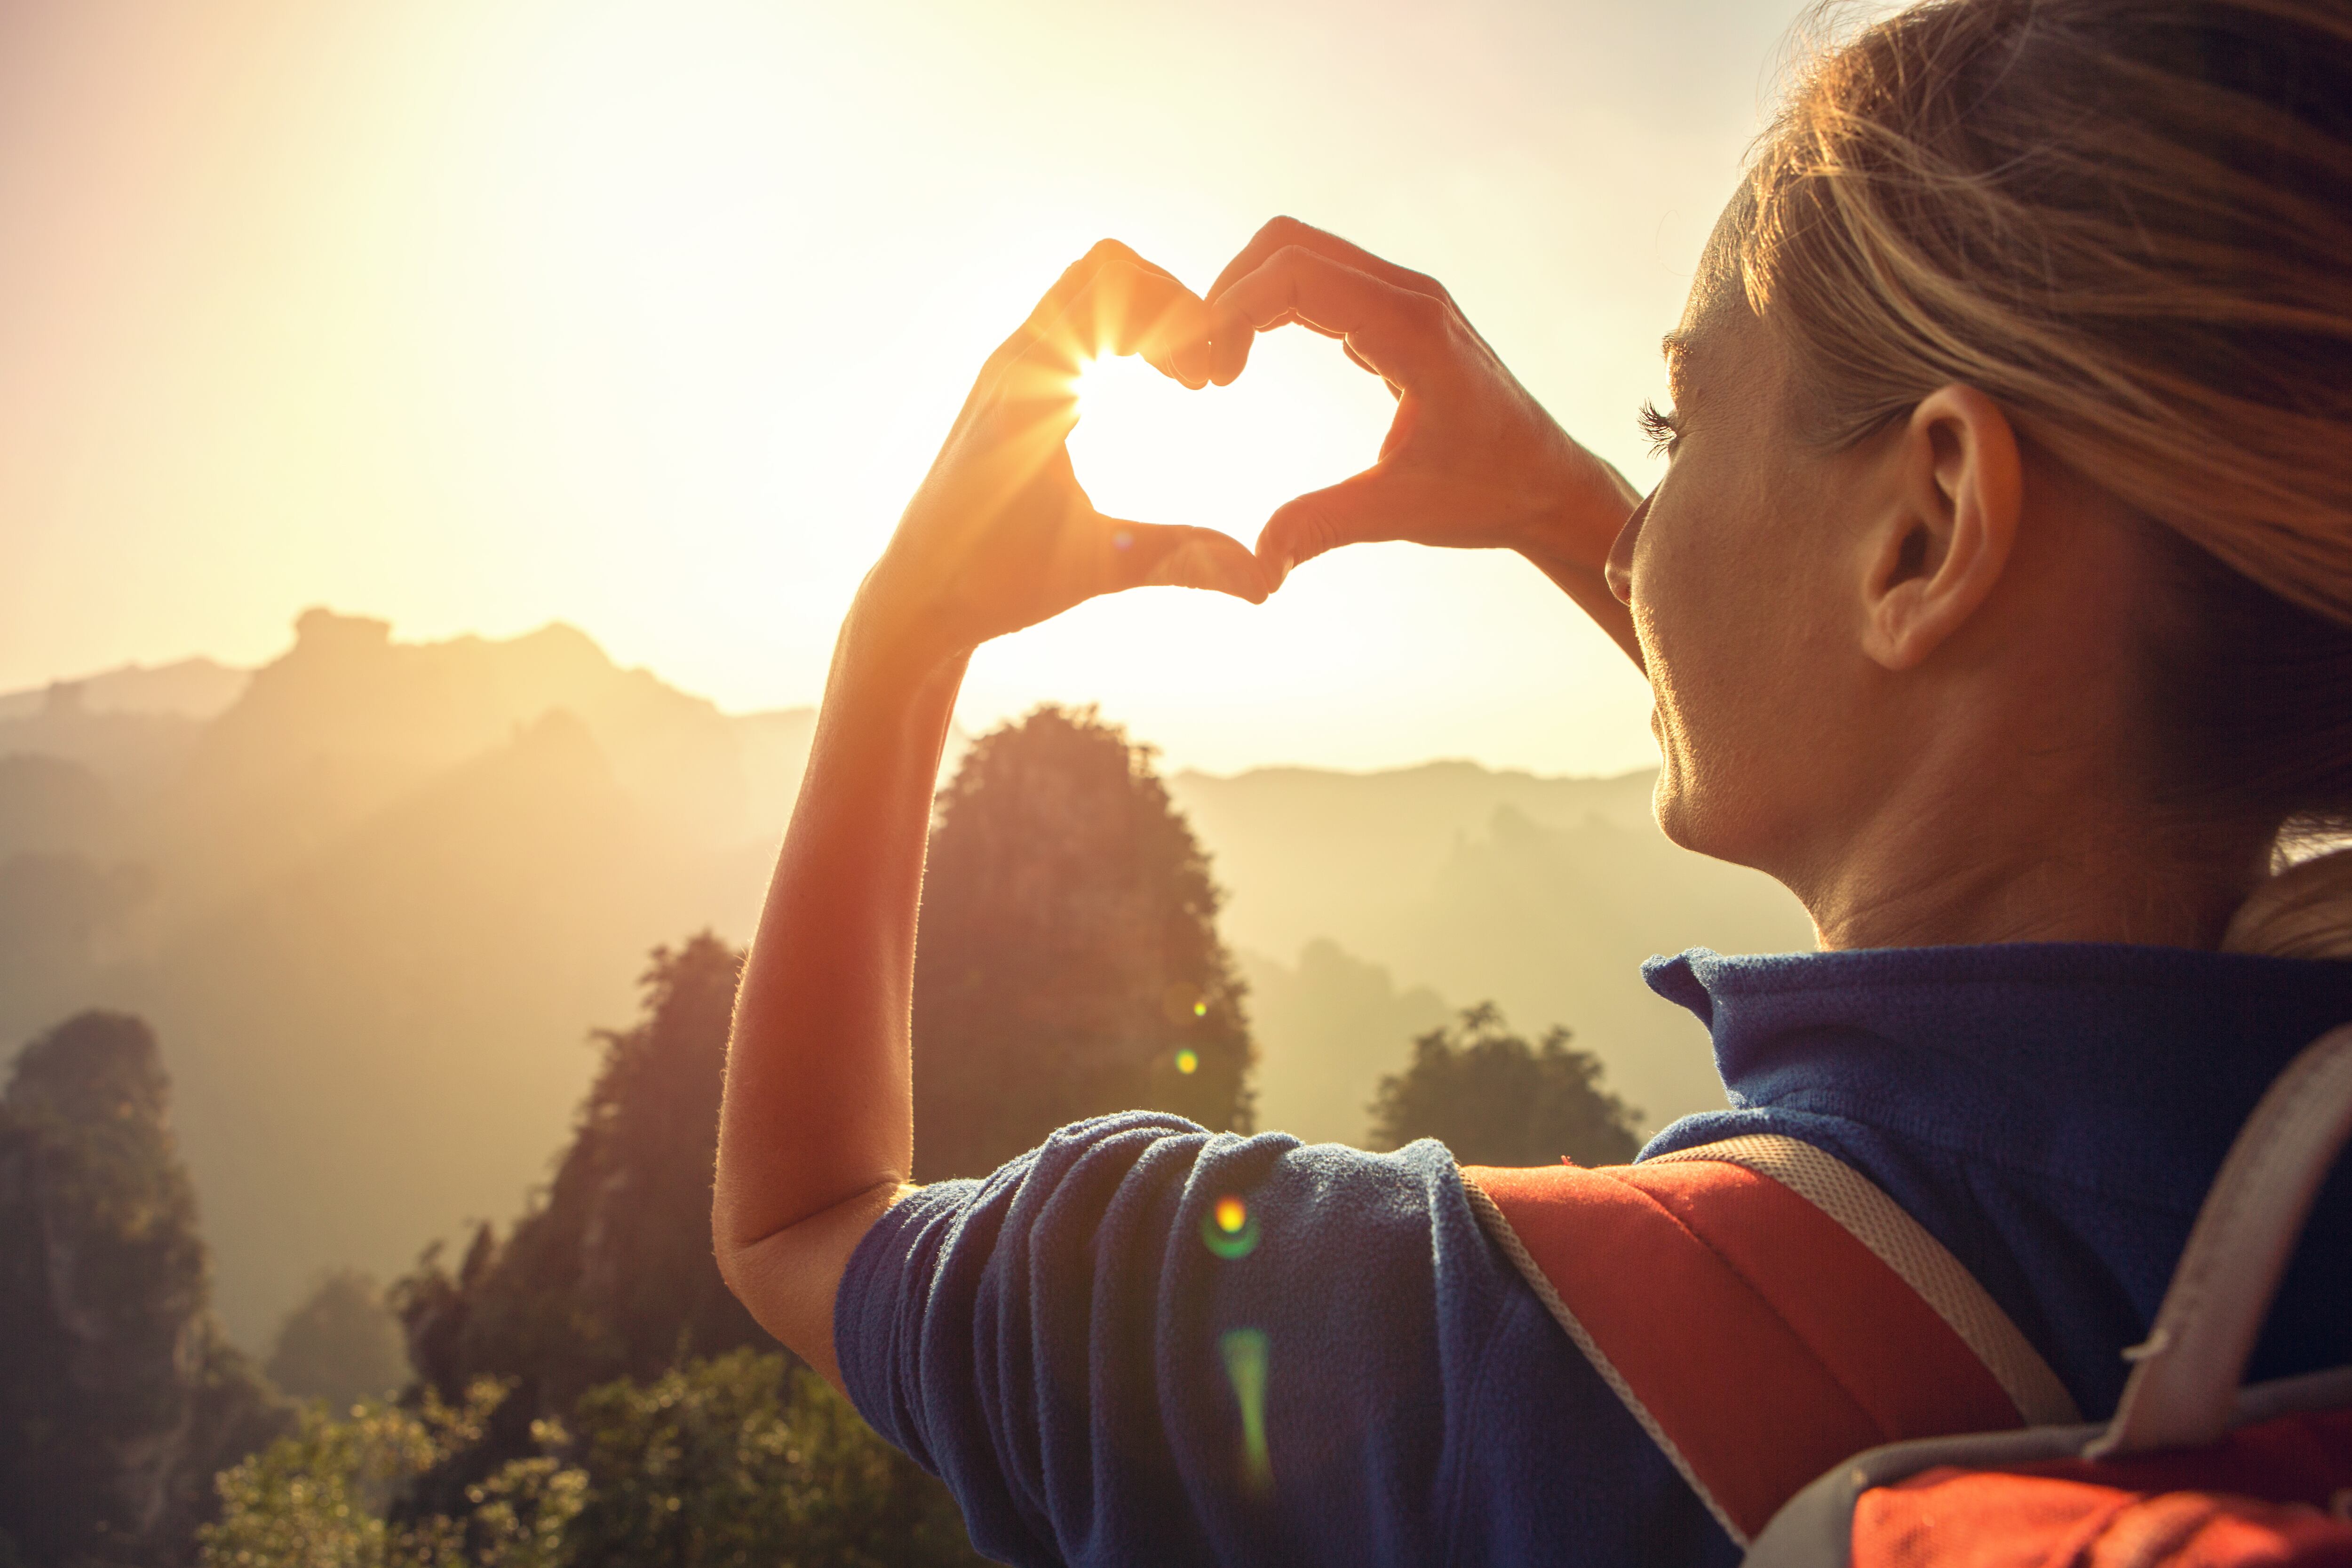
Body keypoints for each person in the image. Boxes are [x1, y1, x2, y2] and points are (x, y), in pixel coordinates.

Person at [713, 0, 2352, 1561]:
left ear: (1924, 531)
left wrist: (902, 641)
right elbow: (1976, 755)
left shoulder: (1429, 1345)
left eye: (1678, 418)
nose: (1652, 489)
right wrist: (1561, 502)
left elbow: (803, 1222)